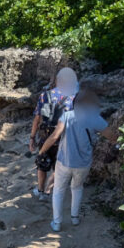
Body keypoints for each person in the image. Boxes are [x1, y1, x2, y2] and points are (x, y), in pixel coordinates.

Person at [39, 83, 109, 231]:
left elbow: (54, 137)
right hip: (83, 163)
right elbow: (113, 136)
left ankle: (57, 223)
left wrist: (42, 151)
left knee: (58, 190)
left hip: (64, 161)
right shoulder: (95, 118)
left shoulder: (67, 116)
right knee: (77, 188)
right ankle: (75, 218)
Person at [30, 68, 77, 201]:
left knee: (42, 161)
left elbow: (37, 118)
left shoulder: (45, 96)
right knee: (59, 166)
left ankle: (39, 190)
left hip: (45, 135)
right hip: (64, 136)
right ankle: (48, 191)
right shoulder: (73, 98)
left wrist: (32, 137)